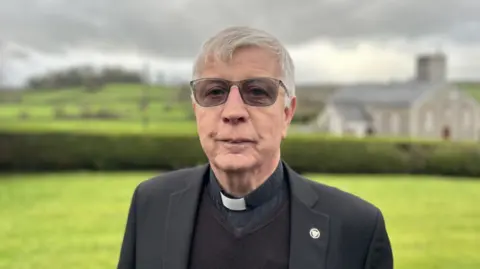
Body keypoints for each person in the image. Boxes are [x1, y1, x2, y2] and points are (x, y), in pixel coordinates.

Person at [117, 26, 393, 269]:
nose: (233, 112)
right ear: (196, 110)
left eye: (258, 91)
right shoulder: (151, 204)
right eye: (214, 92)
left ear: (287, 113)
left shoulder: (356, 228)